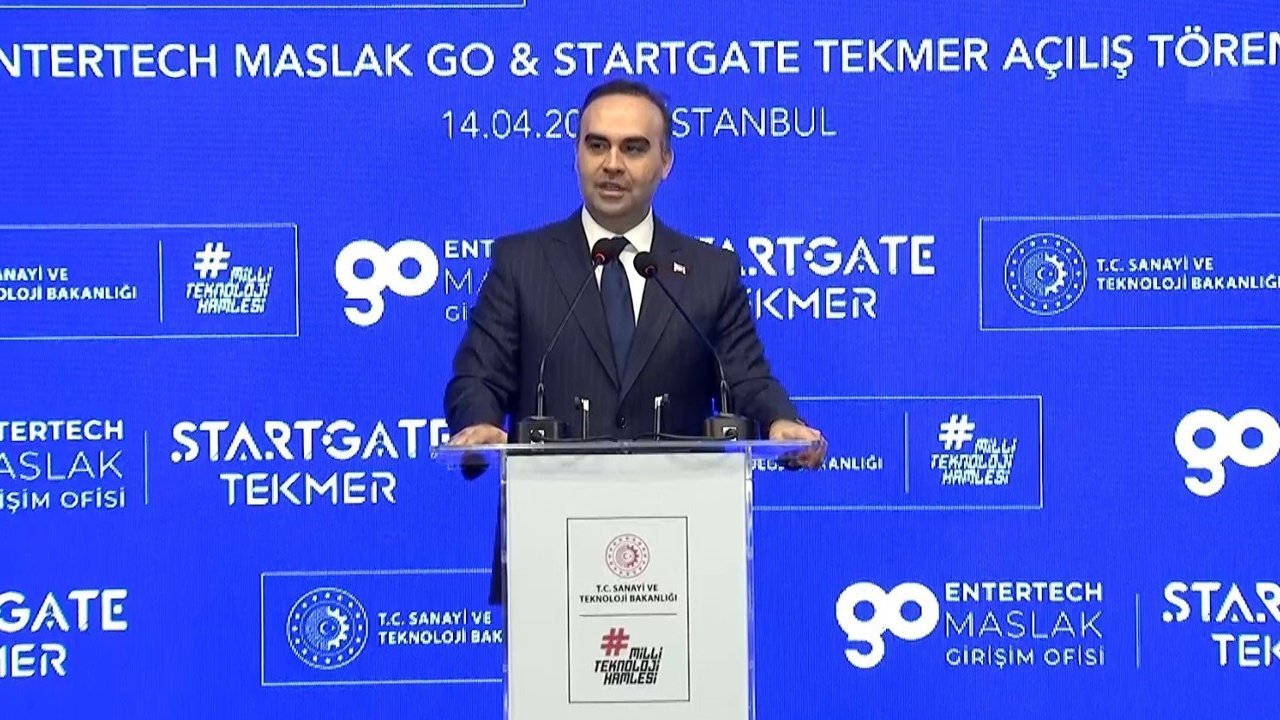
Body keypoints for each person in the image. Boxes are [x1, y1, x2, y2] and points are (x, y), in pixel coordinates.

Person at [445, 78, 825, 460]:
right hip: (550, 492)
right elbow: (478, 377)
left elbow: (746, 379)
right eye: (597, 146)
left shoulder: (710, 272)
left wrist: (780, 420)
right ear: (576, 154)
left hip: (677, 496)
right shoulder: (521, 262)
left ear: (665, 162)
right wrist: (478, 422)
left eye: (633, 148)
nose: (612, 164)